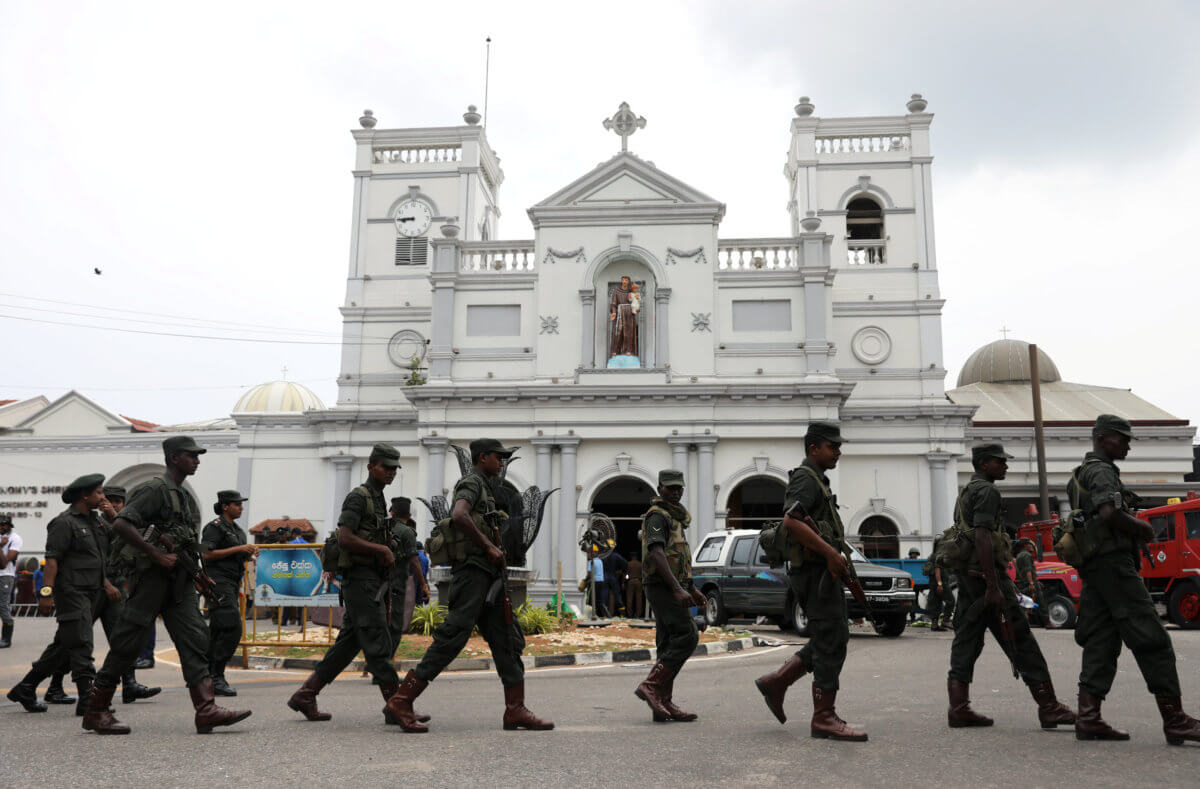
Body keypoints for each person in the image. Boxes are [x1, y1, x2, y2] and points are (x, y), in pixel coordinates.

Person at [81, 436, 251, 735]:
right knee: (128, 641)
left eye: (198, 456)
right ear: (174, 458)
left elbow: (185, 541)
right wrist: (156, 554)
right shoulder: (155, 489)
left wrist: (199, 572)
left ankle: (206, 709)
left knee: (195, 637)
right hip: (152, 578)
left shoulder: (181, 494)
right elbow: (122, 523)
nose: (197, 460)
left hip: (179, 581)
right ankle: (96, 710)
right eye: (191, 455)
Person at [385, 438, 553, 732]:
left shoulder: (486, 487)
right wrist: (488, 546)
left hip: (488, 577)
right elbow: (460, 515)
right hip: (473, 574)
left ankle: (515, 709)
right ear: (482, 457)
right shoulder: (472, 483)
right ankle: (402, 699)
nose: (502, 462)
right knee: (452, 638)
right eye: (497, 457)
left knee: (508, 640)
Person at [1068, 414, 1200, 745]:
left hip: (1097, 567)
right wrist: (1142, 528)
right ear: (1101, 439)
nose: (1127, 444)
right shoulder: (1101, 471)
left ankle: (1088, 718)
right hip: (1113, 566)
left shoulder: (1080, 474)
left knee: (1102, 638)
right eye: (1122, 438)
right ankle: (1175, 720)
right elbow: (1109, 512)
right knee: (1152, 637)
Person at [288, 444, 427, 725]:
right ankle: (397, 705)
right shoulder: (359, 497)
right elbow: (345, 538)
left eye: (393, 468)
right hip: (360, 580)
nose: (390, 472)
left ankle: (306, 694)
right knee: (378, 642)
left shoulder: (377, 498)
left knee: (348, 646)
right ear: (371, 466)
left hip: (371, 580)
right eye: (385, 466)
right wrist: (382, 551)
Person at [943, 443, 1074, 731]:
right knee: (1019, 637)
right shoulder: (987, 491)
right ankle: (1049, 707)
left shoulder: (967, 490)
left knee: (966, 640)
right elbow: (983, 537)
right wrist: (994, 585)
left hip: (969, 577)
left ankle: (959, 708)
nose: (1005, 466)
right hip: (986, 579)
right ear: (984, 463)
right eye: (1000, 462)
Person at [753, 423, 867, 741]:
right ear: (813, 448)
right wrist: (831, 554)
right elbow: (792, 520)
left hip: (821, 571)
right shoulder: (805, 478)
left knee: (832, 636)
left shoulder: (818, 480)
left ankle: (777, 681)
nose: (839, 451)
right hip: (815, 573)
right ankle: (823, 717)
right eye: (833, 446)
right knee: (832, 638)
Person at [37, 487, 162, 710]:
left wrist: (115, 517)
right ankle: (53, 685)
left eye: (118, 502)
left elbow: (130, 540)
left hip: (114, 589)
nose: (113, 505)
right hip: (92, 588)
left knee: (123, 637)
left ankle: (130, 684)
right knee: (72, 640)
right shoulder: (88, 522)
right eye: (108, 500)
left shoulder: (113, 524)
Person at [7, 475, 110, 713]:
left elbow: (116, 543)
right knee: (82, 642)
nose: (103, 497)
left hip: (92, 591)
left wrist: (113, 518)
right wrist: (45, 594)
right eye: (99, 492)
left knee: (63, 646)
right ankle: (88, 700)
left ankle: (26, 687)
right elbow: (52, 561)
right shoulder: (63, 523)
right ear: (84, 495)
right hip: (72, 592)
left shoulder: (97, 521)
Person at [634, 469, 705, 723]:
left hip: (672, 585)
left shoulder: (674, 518)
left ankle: (662, 703)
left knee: (667, 641)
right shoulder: (657, 516)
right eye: (670, 488)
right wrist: (676, 589)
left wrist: (692, 588)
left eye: (679, 488)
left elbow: (680, 557)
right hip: (661, 586)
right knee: (687, 634)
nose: (675, 492)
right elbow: (657, 553)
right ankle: (651, 686)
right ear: (659, 488)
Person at [201, 490, 257, 697]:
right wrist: (238, 549)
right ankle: (216, 675)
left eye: (241, 504)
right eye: (237, 504)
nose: (241, 507)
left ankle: (205, 676)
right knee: (232, 627)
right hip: (218, 582)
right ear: (225, 506)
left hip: (233, 583)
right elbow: (205, 552)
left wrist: (248, 554)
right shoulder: (213, 528)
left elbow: (238, 555)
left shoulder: (238, 531)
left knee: (217, 630)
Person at [381, 497, 429, 674]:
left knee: (378, 625)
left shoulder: (380, 529)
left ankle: (378, 663)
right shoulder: (407, 532)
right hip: (396, 586)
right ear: (409, 515)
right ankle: (383, 666)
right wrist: (423, 584)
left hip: (375, 584)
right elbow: (414, 562)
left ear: (391, 512)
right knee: (395, 626)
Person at [1013, 538, 1046, 627]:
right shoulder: (1027, 555)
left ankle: (1026, 622)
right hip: (1029, 582)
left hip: (1022, 582)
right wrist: (1032, 583)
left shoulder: (1019, 555)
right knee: (1041, 601)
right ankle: (1047, 622)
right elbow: (1028, 571)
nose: (1032, 546)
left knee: (1024, 603)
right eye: (1029, 544)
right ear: (1025, 546)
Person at [0, 513, 22, 648]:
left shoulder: (15, 538)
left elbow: (3, 563)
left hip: (5, 576)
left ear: (9, 525)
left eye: (4, 524)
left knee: (3, 606)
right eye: (0, 524)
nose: (2, 527)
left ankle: (6, 639)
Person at [924, 540, 955, 632]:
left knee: (936, 603)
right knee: (951, 601)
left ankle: (934, 624)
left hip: (932, 583)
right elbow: (937, 570)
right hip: (940, 583)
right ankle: (946, 620)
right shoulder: (939, 556)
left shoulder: (931, 556)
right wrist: (940, 584)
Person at [604, 550, 628, 618]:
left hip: (604, 577)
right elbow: (625, 563)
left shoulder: (602, 555)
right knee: (617, 596)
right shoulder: (615, 555)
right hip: (612, 576)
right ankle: (622, 615)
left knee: (604, 595)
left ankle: (605, 615)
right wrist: (621, 570)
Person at [625, 553, 644, 619]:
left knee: (629, 599)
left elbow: (626, 573)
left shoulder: (628, 564)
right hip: (638, 581)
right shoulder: (640, 564)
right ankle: (638, 615)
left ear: (631, 556)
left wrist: (623, 582)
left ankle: (629, 615)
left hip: (630, 581)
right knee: (639, 599)